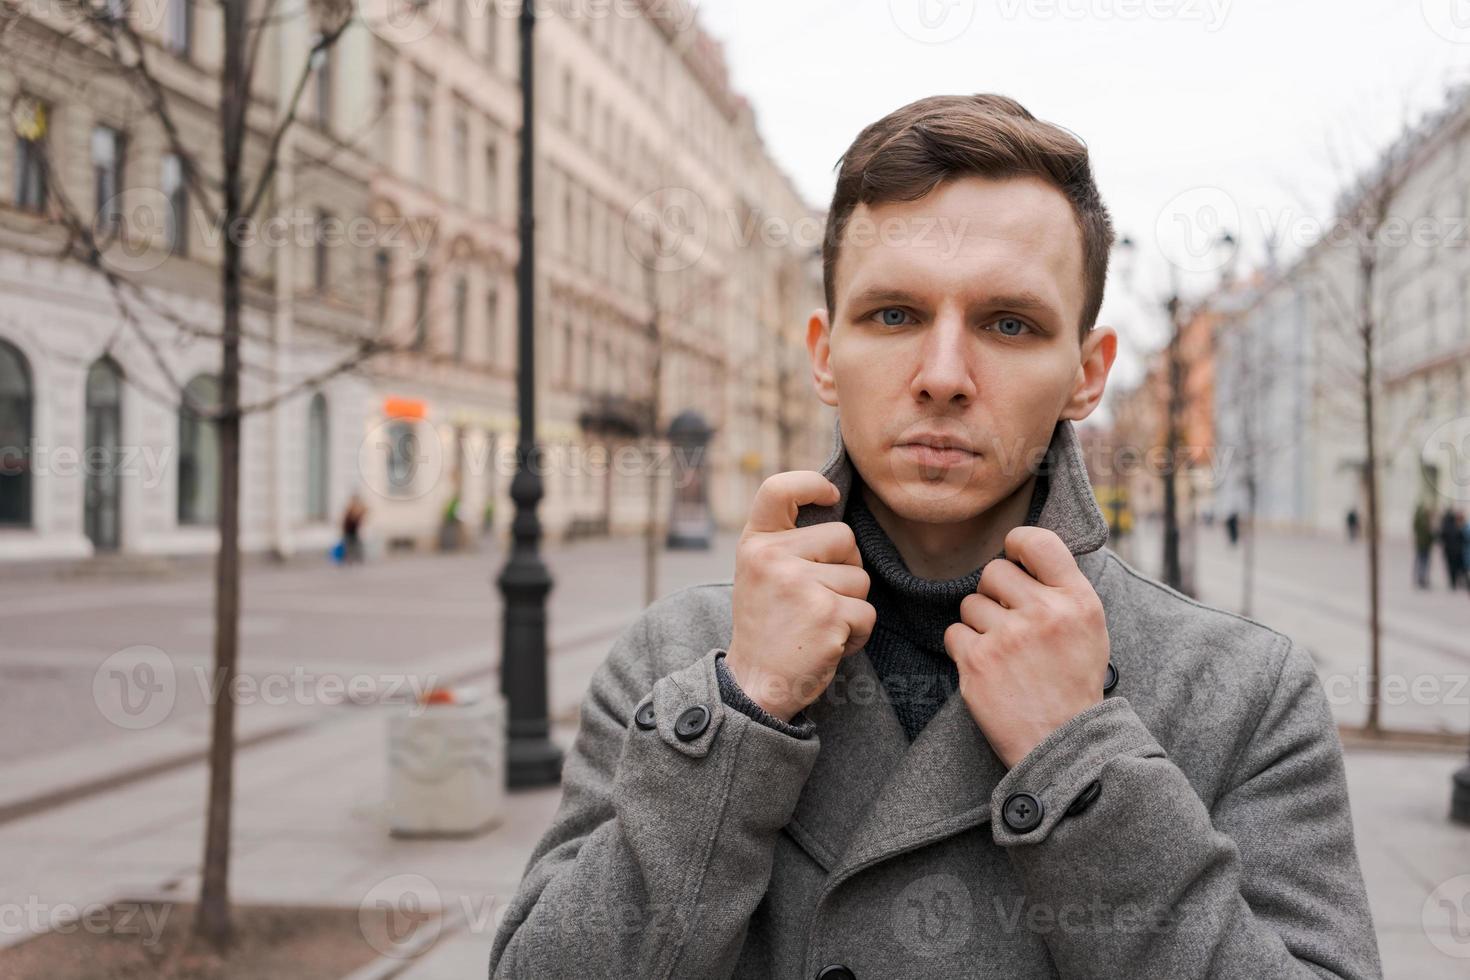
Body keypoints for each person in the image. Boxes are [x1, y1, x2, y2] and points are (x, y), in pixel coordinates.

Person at [489, 94, 1380, 979]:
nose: (944, 377)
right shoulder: (678, 658)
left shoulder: (1244, 692)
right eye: (894, 316)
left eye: (1008, 324)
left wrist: (1080, 754)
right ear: (824, 355)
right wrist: (745, 705)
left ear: (1087, 373)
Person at [341, 493, 367, 565]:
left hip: (353, 532)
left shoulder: (355, 509)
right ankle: (349, 560)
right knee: (349, 546)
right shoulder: (350, 509)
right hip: (349, 531)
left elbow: (364, 511)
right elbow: (350, 520)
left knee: (356, 546)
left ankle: (355, 559)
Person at [1444, 507, 1466, 591]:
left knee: (1451, 568)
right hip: (1457, 551)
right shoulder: (1458, 527)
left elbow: (1442, 536)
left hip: (1449, 551)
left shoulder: (1447, 526)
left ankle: (1453, 582)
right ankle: (1455, 582)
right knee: (1457, 567)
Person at [1414, 501, 1435, 589]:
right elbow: (1430, 536)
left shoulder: (1420, 521)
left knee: (1421, 562)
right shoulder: (1425, 523)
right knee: (1423, 562)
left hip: (1421, 545)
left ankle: (1421, 578)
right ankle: (1421, 579)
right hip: (1424, 546)